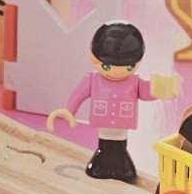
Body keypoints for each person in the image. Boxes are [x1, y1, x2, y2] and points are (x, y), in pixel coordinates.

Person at [47, 22, 181, 183]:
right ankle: (102, 166)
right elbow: (79, 94)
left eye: (129, 67)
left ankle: (121, 168)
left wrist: (160, 89)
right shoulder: (93, 80)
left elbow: (146, 92)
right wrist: (70, 111)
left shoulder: (134, 82)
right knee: (104, 146)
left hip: (121, 126)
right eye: (106, 66)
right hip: (104, 125)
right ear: (93, 57)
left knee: (119, 147)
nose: (117, 72)